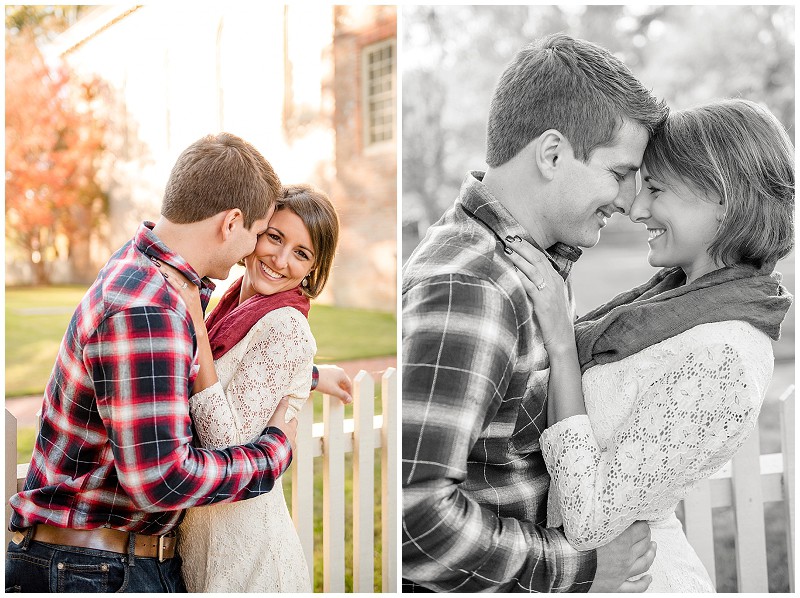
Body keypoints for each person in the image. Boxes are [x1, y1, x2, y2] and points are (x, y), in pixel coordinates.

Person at [5, 133, 352, 593]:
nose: (258, 249)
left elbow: (199, 373)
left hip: (98, 561)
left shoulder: (147, 276)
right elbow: (162, 480)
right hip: (96, 566)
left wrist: (301, 376)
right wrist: (273, 455)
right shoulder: (149, 310)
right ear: (232, 222)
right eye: (261, 232)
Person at [402, 33, 667, 592]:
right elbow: (415, 520)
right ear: (552, 154)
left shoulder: (529, 267)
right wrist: (581, 565)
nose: (627, 202)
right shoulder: (470, 285)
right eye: (619, 173)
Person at [508, 98, 794, 592]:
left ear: (724, 199)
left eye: (655, 189)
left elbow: (592, 521)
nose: (636, 208)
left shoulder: (724, 357)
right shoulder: (671, 308)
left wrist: (561, 344)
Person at [160, 184, 340, 592]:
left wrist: (193, 316)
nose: (279, 260)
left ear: (313, 268)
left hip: (250, 558)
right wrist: (312, 376)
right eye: (275, 237)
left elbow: (226, 442)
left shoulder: (287, 326)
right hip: (201, 542)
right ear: (254, 233)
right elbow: (246, 372)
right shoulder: (231, 304)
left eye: (301, 253)